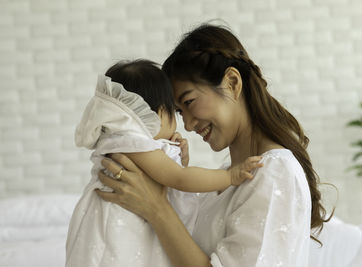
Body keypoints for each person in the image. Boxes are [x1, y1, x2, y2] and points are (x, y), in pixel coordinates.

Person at [96, 24, 329, 267]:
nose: (186, 124)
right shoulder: (230, 175)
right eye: (178, 111)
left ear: (232, 82)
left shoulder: (274, 173)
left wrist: (156, 209)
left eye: (189, 101)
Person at [65, 59, 262, 267]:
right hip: (116, 228)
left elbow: (166, 181)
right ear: (158, 113)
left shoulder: (122, 142)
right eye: (175, 112)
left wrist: (179, 161)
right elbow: (179, 179)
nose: (184, 124)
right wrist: (229, 177)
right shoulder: (132, 142)